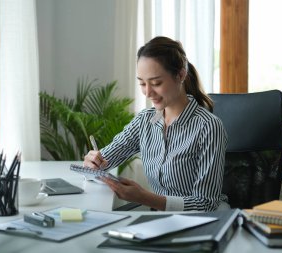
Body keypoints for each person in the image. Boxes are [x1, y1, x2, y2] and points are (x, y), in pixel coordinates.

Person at [83, 36, 228, 212]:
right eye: (142, 83)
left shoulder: (208, 127)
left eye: (156, 83)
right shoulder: (145, 121)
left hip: (200, 221)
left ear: (180, 75)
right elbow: (104, 161)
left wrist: (145, 197)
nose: (148, 92)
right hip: (161, 218)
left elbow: (206, 203)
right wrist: (92, 163)